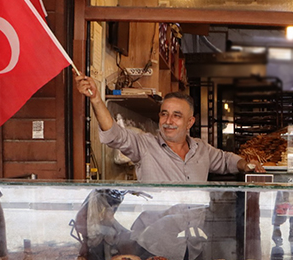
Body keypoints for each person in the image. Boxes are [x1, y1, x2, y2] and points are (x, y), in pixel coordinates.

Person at [74, 75, 261, 182]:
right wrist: (96, 100)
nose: (168, 120)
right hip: (155, 241)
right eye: (164, 113)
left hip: (194, 242)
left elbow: (226, 159)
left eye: (177, 116)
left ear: (190, 122)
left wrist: (245, 164)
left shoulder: (201, 149)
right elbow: (115, 135)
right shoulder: (145, 145)